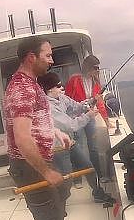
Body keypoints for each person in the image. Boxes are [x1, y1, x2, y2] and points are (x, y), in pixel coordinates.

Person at [3, 36, 94, 220]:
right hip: (28, 164)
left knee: (61, 192)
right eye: (48, 55)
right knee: (46, 208)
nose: (51, 61)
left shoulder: (32, 83)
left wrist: (56, 133)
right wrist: (44, 171)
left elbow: (38, 119)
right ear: (31, 57)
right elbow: (23, 139)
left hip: (42, 156)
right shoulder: (21, 89)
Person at [37, 72, 115, 203]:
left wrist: (92, 100)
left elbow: (77, 106)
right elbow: (71, 125)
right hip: (57, 148)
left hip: (70, 142)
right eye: (58, 86)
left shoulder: (61, 98)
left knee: (89, 167)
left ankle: (97, 193)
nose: (62, 88)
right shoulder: (48, 106)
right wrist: (88, 116)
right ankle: (59, 205)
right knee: (66, 179)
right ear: (49, 89)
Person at [65, 55, 113, 182]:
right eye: (95, 68)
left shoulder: (95, 82)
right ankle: (77, 178)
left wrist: (107, 120)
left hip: (90, 117)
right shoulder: (74, 80)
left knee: (93, 147)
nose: (97, 70)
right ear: (88, 67)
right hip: (77, 118)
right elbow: (67, 101)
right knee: (78, 146)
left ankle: (99, 175)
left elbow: (100, 103)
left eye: (98, 68)